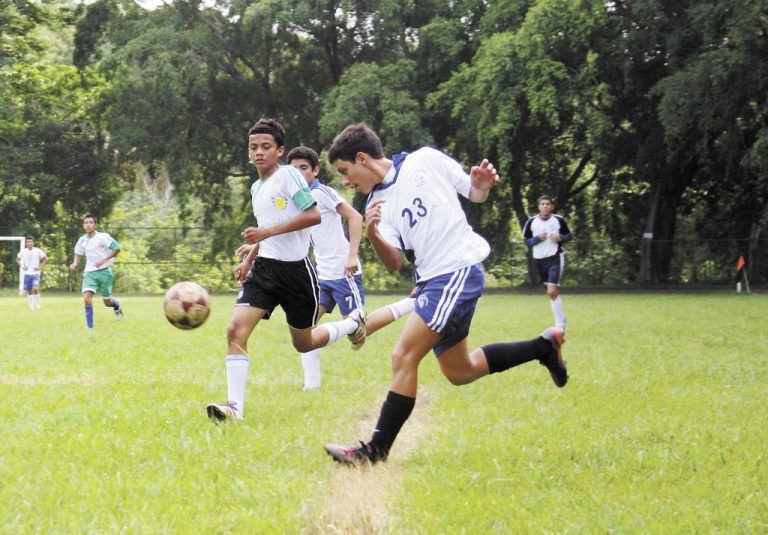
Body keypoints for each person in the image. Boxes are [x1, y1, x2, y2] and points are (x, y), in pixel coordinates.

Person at [322, 123, 568, 465]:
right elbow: (393, 261)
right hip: (433, 281)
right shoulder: (375, 203)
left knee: (404, 356)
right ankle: (544, 346)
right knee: (460, 370)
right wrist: (373, 232)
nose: (346, 181)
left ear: (362, 158)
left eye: (345, 171)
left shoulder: (425, 159)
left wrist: (481, 186)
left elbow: (474, 192)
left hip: (457, 270)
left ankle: (374, 452)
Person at [205, 118, 367, 421]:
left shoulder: (290, 175)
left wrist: (263, 235)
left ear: (279, 150)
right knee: (235, 331)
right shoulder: (256, 187)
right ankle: (234, 407)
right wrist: (250, 259)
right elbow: (269, 230)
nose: (259, 152)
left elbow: (313, 216)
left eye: (266, 147)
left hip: (296, 273)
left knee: (303, 343)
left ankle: (350, 324)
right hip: (265, 271)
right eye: (253, 147)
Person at [521, 195, 572, 332]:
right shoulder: (532, 222)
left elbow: (569, 235)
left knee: (552, 290)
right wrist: (538, 238)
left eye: (547, 204)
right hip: (539, 261)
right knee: (551, 292)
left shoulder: (558, 220)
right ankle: (561, 319)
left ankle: (559, 325)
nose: (545, 206)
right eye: (542, 204)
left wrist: (560, 238)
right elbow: (526, 241)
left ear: (552, 206)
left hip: (555, 258)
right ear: (539, 206)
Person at [69, 214, 123, 329]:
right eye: (86, 223)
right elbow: (78, 253)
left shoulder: (103, 237)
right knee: (87, 298)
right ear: (83, 225)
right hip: (90, 273)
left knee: (107, 302)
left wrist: (104, 260)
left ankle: (117, 304)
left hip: (104, 272)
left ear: (96, 225)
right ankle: (90, 328)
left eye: (90, 222)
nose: (88, 225)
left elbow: (117, 248)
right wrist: (75, 263)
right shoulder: (82, 240)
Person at [16, 236, 49, 309]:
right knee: (29, 290)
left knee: (35, 289)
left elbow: (46, 259)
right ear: (26, 243)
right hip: (27, 273)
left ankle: (37, 305)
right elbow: (17, 259)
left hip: (36, 273)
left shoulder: (38, 251)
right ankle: (31, 306)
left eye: (31, 242)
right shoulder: (23, 251)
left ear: (33, 243)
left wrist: (40, 267)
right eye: (28, 242)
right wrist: (22, 266)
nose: (29, 243)